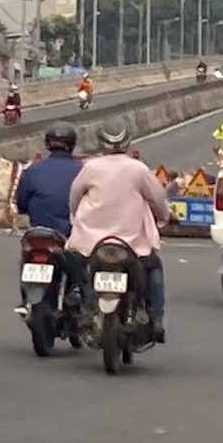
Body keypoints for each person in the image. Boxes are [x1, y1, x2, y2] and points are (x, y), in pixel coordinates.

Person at [67, 123, 170, 340]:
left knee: (81, 272)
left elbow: (74, 197)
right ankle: (156, 317)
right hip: (131, 243)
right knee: (154, 267)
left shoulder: (90, 167)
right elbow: (158, 199)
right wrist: (163, 218)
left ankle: (87, 310)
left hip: (90, 241)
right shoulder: (138, 169)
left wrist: (75, 219)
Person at [12, 123, 81, 237]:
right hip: (70, 233)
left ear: (48, 144)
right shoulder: (82, 170)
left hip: (38, 232)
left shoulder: (33, 169)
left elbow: (21, 203)